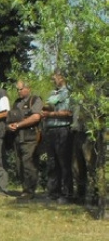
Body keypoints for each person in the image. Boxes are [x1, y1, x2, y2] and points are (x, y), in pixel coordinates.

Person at [6, 80, 43, 200]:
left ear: (28, 88)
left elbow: (36, 117)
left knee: (29, 164)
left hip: (30, 138)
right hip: (17, 138)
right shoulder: (16, 103)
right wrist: (10, 126)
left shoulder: (35, 100)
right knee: (19, 165)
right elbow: (10, 118)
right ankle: (24, 189)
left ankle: (30, 191)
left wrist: (19, 125)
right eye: (17, 89)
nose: (18, 91)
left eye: (20, 89)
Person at [42, 71, 74, 204]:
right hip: (50, 130)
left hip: (63, 129)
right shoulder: (52, 93)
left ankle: (67, 193)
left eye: (54, 77)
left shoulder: (69, 93)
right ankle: (53, 192)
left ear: (62, 77)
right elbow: (47, 105)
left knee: (64, 163)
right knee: (52, 162)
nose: (53, 80)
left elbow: (69, 112)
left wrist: (50, 114)